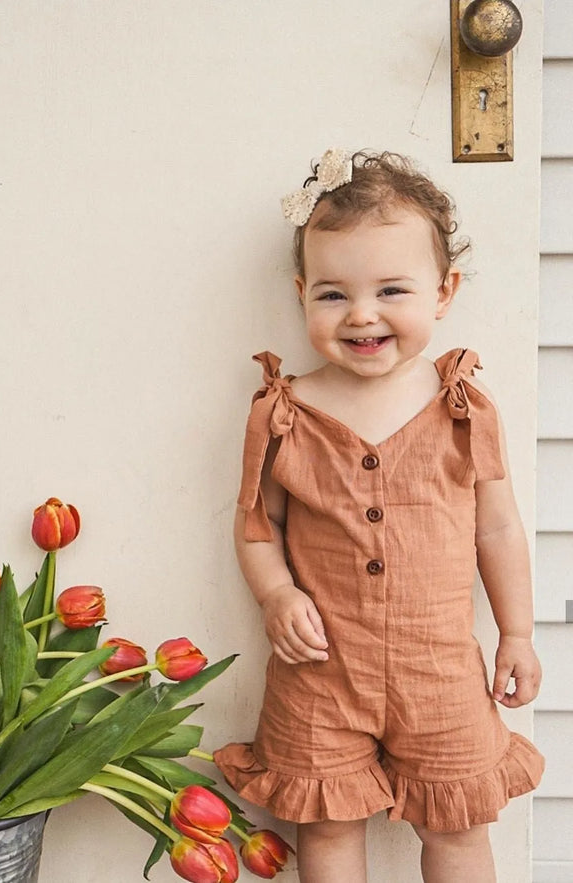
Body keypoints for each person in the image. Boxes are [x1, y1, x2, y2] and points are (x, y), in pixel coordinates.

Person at [214, 149, 544, 883]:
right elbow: (256, 522)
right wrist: (277, 593)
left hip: (441, 670)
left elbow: (497, 526)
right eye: (333, 295)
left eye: (391, 289)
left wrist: (516, 631)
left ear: (443, 291)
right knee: (327, 829)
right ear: (302, 294)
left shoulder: (461, 405)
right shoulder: (285, 411)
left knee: (457, 830)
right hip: (320, 671)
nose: (362, 314)